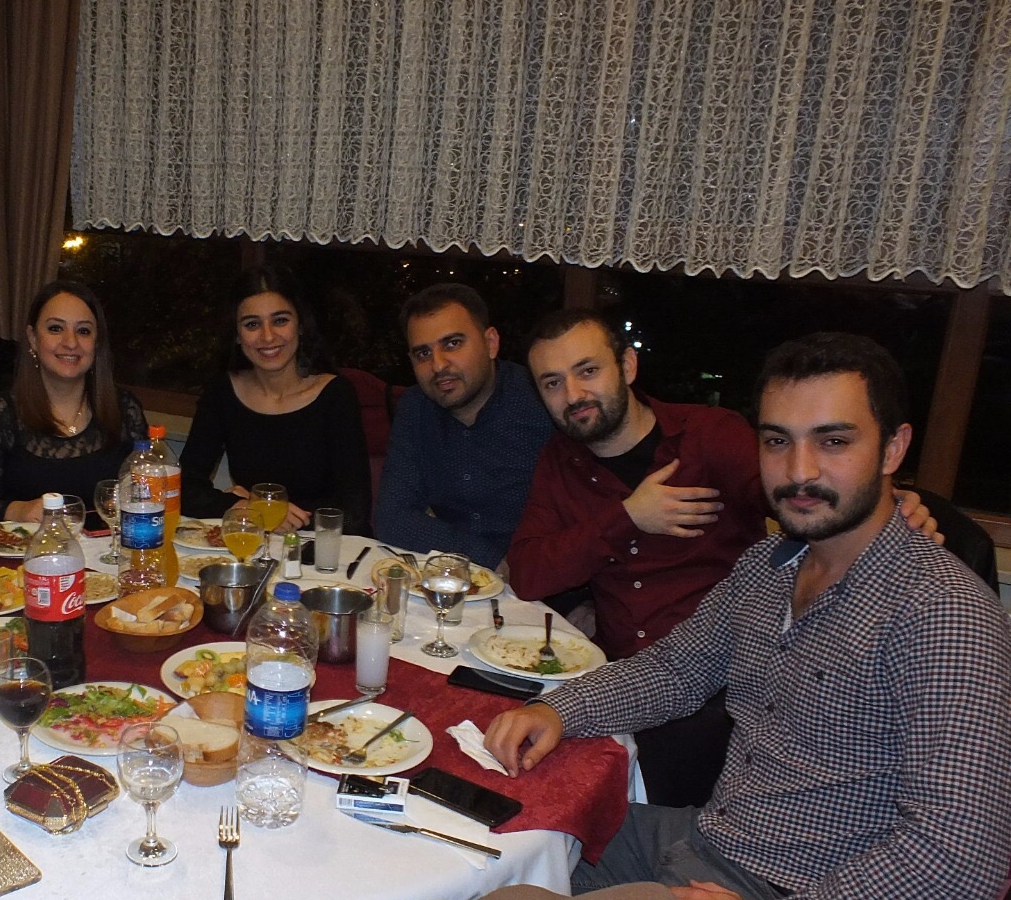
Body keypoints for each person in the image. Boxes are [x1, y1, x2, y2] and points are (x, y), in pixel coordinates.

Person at [486, 332, 1011, 900]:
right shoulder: (769, 566)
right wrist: (559, 710)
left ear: (893, 449)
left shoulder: (942, 612)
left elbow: (959, 854)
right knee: (499, 859)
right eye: (777, 442)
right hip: (704, 840)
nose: (799, 471)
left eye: (833, 441)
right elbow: (675, 669)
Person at [507, 309, 939, 805]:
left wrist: (886, 503)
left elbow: (800, 501)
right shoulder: (560, 461)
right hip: (633, 674)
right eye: (553, 383)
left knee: (570, 796)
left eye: (588, 371)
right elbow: (530, 573)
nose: (574, 395)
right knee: (524, 773)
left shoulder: (709, 436)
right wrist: (627, 518)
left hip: (719, 693)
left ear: (627, 366)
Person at [179, 266, 372, 534]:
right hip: (256, 544)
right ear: (236, 335)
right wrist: (238, 506)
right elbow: (182, 487)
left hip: (327, 549)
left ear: (301, 325)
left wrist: (269, 512)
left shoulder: (336, 395)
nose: (268, 336)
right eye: (252, 324)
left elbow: (354, 512)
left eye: (280, 320)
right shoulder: (222, 392)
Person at [375, 284, 554, 565]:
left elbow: (580, 514)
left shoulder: (540, 401)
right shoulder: (416, 408)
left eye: (452, 344)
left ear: (491, 343)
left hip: (541, 572)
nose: (438, 365)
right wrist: (490, 560)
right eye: (423, 354)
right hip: (456, 574)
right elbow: (391, 518)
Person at [0, 281, 147, 524]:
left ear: (97, 343)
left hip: (109, 547)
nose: (71, 342)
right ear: (33, 338)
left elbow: (148, 495)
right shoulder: (3, 412)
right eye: (56, 328)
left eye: (83, 331)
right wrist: (18, 511)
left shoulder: (125, 409)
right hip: (28, 547)